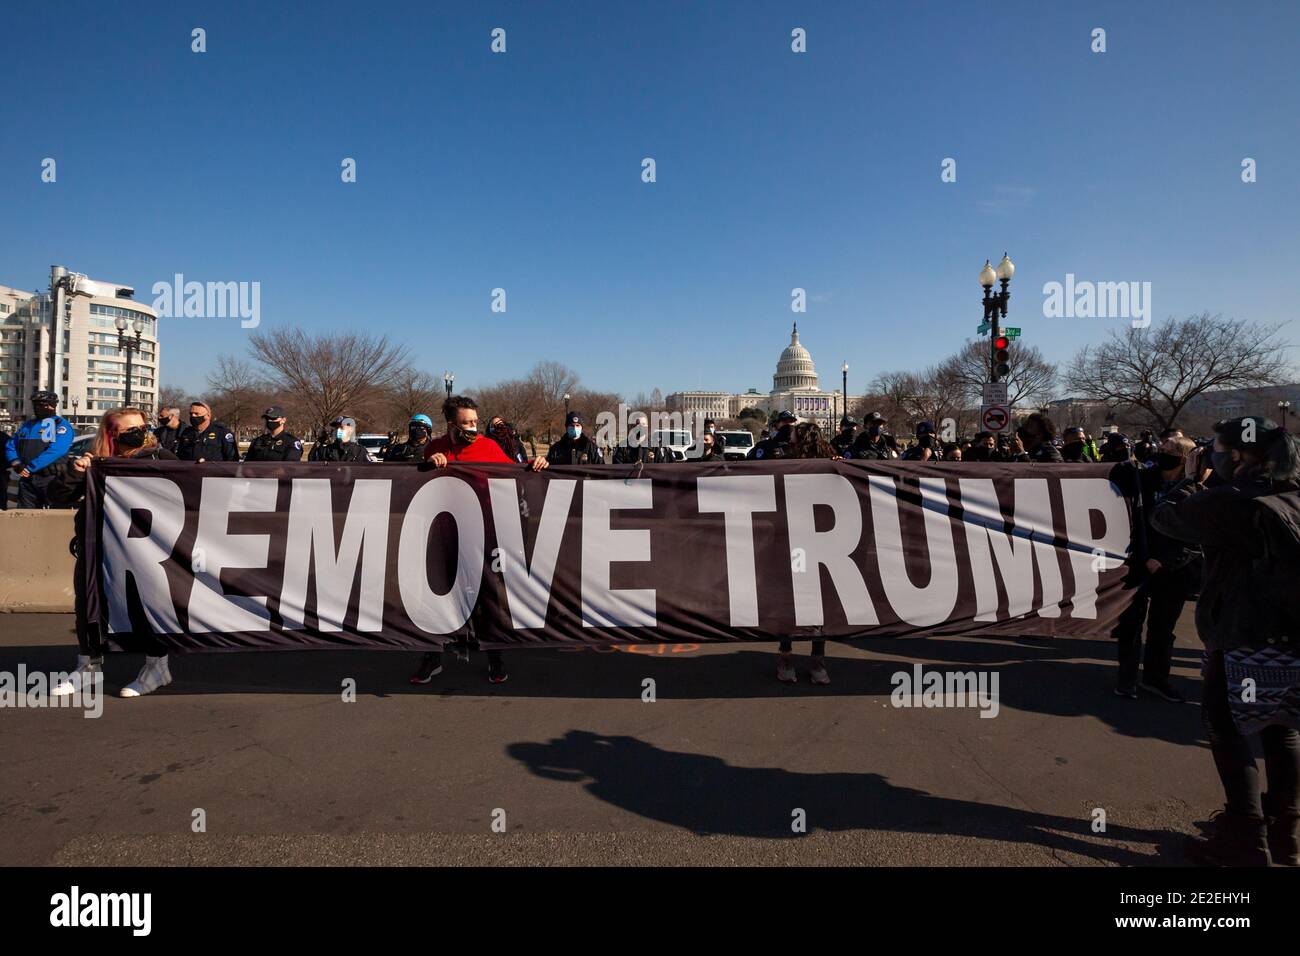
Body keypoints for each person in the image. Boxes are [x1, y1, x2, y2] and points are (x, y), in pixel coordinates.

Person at [1151, 417, 1300, 866]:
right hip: (1291, 635)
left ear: (1236, 455)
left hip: (1244, 635)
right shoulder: (1290, 494)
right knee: (1282, 730)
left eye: (1215, 447)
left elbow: (1166, 518)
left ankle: (1244, 837)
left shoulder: (1234, 502)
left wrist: (1194, 480)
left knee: (1227, 728)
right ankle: (1285, 836)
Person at [411, 396, 548, 686]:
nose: (474, 427)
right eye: (467, 423)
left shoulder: (488, 445)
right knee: (440, 596)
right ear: (451, 425)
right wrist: (429, 463)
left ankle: (494, 654)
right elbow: (413, 482)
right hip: (446, 535)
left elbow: (515, 473)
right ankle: (434, 655)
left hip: (483, 534)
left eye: (475, 421)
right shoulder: (435, 447)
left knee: (488, 596)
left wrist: (536, 464)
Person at [48, 407, 179, 699]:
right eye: (130, 430)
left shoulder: (161, 458)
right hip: (97, 549)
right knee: (90, 609)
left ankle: (157, 667)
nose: (139, 433)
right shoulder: (96, 464)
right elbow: (57, 496)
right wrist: (75, 472)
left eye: (142, 427)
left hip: (145, 552)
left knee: (144, 610)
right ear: (111, 434)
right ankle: (88, 666)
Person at [1110, 436, 1199, 700]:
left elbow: (1198, 535)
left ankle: (1155, 679)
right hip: (1138, 563)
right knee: (1131, 625)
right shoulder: (1141, 480)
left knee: (1162, 629)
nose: (1163, 452)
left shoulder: (1195, 490)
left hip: (1172, 571)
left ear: (1185, 458)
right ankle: (1126, 679)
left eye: (1170, 450)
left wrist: (1166, 560)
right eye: (1162, 448)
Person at [775, 421, 837, 685]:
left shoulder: (789, 463)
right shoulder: (831, 462)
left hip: (798, 541)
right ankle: (817, 664)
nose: (788, 436)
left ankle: (787, 660)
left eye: (793, 434)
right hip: (820, 543)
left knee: (789, 603)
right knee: (817, 605)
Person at [5, 391, 74, 509]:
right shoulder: (27, 425)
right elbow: (11, 446)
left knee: (54, 518)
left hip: (51, 479)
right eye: (36, 405)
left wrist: (30, 467)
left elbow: (56, 450)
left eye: (44, 404)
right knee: (24, 516)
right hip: (27, 479)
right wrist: (16, 464)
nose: (39, 408)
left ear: (53, 405)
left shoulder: (60, 425)